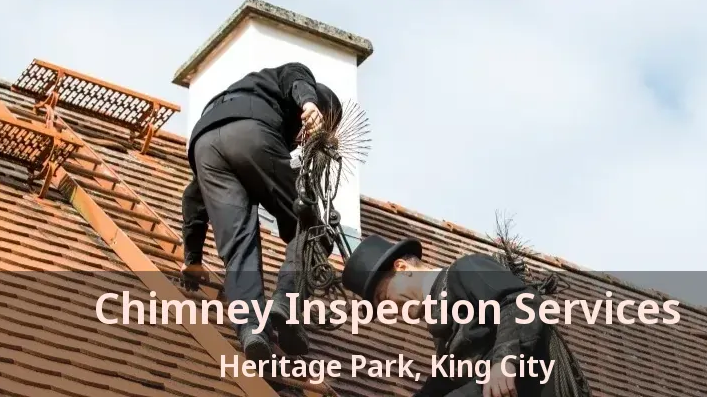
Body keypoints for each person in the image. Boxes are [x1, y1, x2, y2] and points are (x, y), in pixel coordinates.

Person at [180, 62, 343, 362]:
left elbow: (194, 195)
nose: (302, 140)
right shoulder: (296, 83)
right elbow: (297, 76)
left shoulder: (247, 91)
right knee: (315, 229)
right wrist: (310, 103)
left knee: (238, 246)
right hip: (252, 132)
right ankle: (287, 305)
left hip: (203, 143)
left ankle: (252, 329)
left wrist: (192, 258)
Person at [341, 235, 558, 397]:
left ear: (402, 267)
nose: (389, 309)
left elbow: (522, 302)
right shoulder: (442, 333)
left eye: (383, 297)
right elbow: (442, 383)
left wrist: (503, 362)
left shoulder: (463, 271)